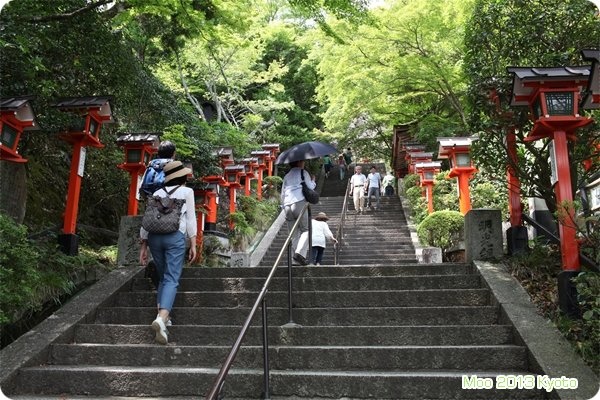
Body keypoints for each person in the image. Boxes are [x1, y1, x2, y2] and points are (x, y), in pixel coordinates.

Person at [139, 160, 197, 345]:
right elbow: (190, 219)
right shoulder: (187, 192)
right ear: (181, 176)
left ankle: (163, 317)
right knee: (172, 277)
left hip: (155, 237)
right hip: (174, 237)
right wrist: (194, 243)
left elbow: (147, 218)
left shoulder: (156, 193)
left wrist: (143, 245)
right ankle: (162, 318)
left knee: (164, 276)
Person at [280, 159, 316, 265]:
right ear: (299, 162)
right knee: (307, 230)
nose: (304, 163)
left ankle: (294, 260)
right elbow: (310, 186)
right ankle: (299, 253)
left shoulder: (286, 176)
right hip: (298, 201)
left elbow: (282, 193)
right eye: (303, 161)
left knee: (293, 234)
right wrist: (313, 180)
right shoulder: (303, 172)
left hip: (287, 205)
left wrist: (283, 206)